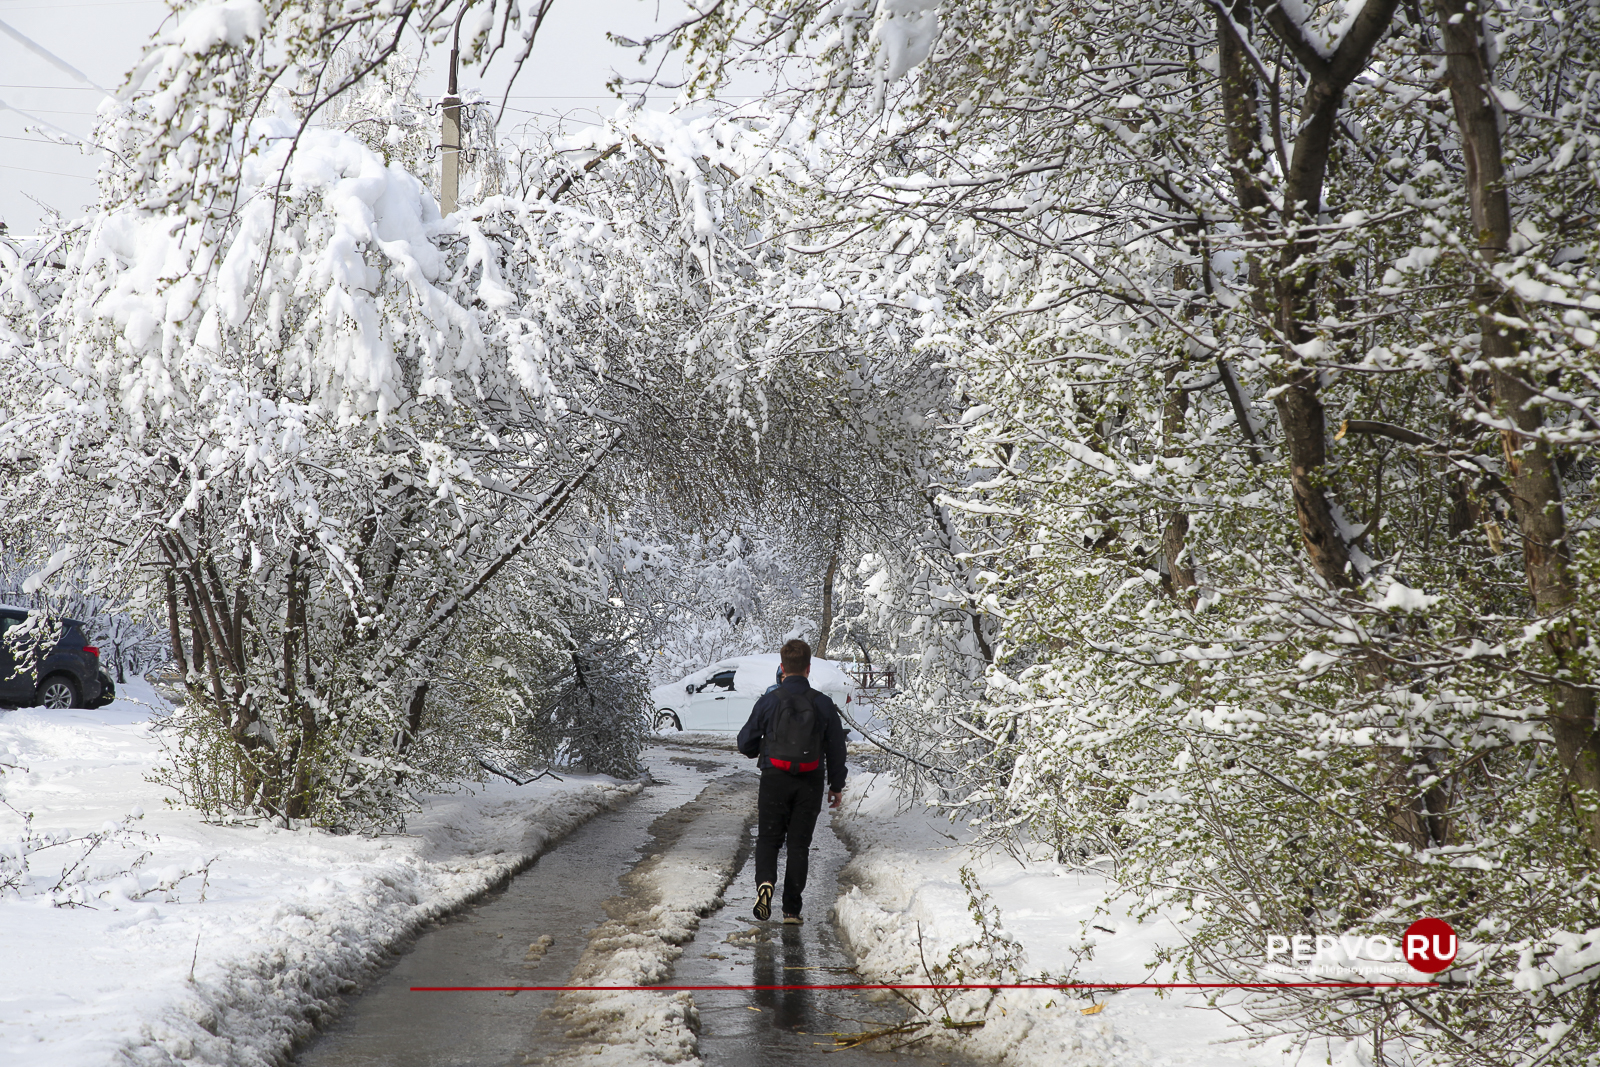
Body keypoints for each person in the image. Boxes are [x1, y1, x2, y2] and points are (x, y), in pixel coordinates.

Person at [737, 638, 848, 924]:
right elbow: (837, 748)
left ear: (782, 668)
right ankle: (791, 910)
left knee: (768, 839)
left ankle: (765, 883)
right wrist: (836, 785)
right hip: (809, 783)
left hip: (774, 778)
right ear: (809, 669)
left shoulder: (770, 701)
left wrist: (759, 749)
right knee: (799, 845)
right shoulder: (823, 704)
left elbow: (745, 742)